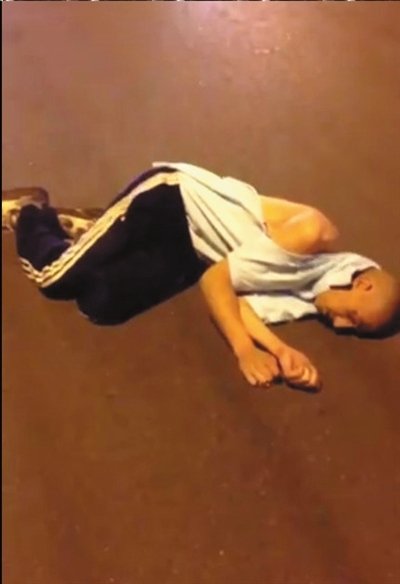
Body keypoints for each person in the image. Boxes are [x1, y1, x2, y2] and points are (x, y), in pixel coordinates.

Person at [3, 162, 399, 391]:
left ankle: (101, 229)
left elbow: (242, 304)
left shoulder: (314, 293)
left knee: (100, 302)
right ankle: (29, 211)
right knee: (55, 277)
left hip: (190, 249)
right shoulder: (310, 235)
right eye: (354, 317)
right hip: (171, 200)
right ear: (362, 284)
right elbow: (217, 283)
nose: (342, 326)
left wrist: (281, 352)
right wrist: (245, 351)